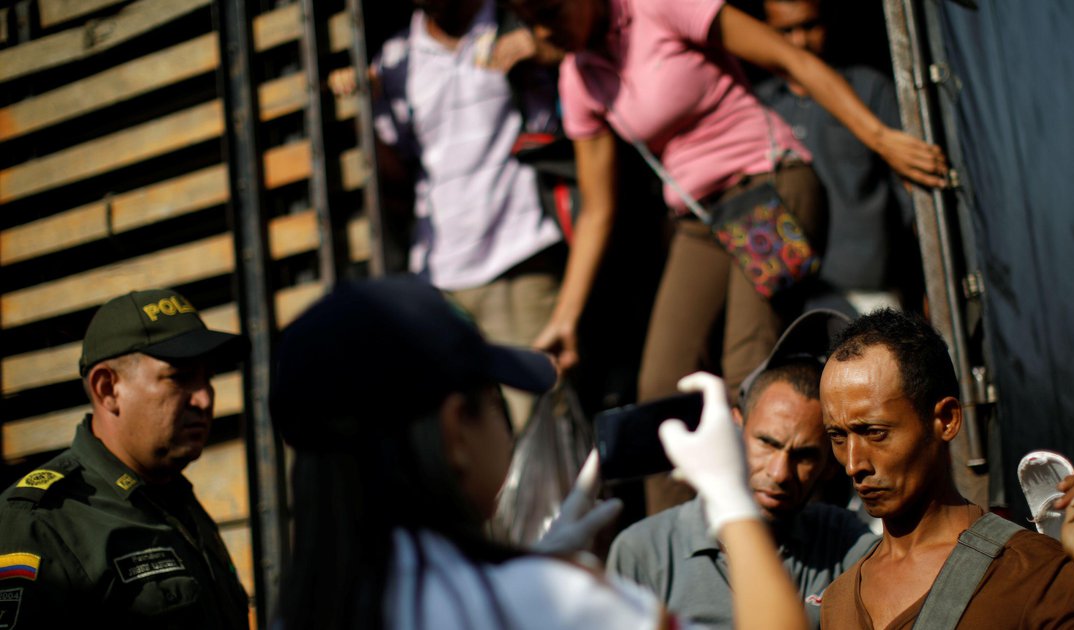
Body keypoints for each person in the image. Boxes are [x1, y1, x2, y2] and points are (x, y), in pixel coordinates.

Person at [512, 0, 945, 511]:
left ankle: (779, 534)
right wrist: (566, 319)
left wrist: (882, 139)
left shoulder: (658, 7)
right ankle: (676, 550)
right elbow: (596, 209)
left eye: (552, 11)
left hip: (771, 183)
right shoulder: (579, 78)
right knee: (661, 385)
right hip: (701, 217)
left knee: (747, 372)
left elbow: (791, 59)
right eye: (529, 19)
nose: (544, 30)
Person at [270, 275, 810, 630]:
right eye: (496, 403)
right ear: (457, 431)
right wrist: (730, 500)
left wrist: (532, 561)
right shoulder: (545, 601)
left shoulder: (305, 613)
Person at [818, 309, 1074, 628]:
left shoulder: (1033, 573)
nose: (852, 464)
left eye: (875, 433)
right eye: (837, 437)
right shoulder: (838, 600)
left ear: (946, 420)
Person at [354, 0, 567, 428]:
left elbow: (584, 67)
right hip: (440, 280)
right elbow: (397, 171)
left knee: (540, 423)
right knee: (462, 433)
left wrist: (543, 50)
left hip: (518, 260)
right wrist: (363, 106)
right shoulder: (395, 58)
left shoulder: (513, 22)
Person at [607, 310, 877, 629]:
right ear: (732, 430)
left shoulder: (843, 543)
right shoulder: (645, 552)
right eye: (767, 442)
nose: (779, 473)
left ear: (829, 466)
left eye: (804, 456)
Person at [0, 289, 250, 628]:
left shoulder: (175, 500)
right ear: (108, 388)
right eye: (179, 377)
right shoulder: (42, 524)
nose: (205, 399)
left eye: (208, 378)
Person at [756, 0, 919, 316]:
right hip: (791, 297)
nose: (800, 41)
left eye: (809, 26)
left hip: (869, 290)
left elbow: (909, 195)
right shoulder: (759, 106)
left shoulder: (869, 90)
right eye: (785, 31)